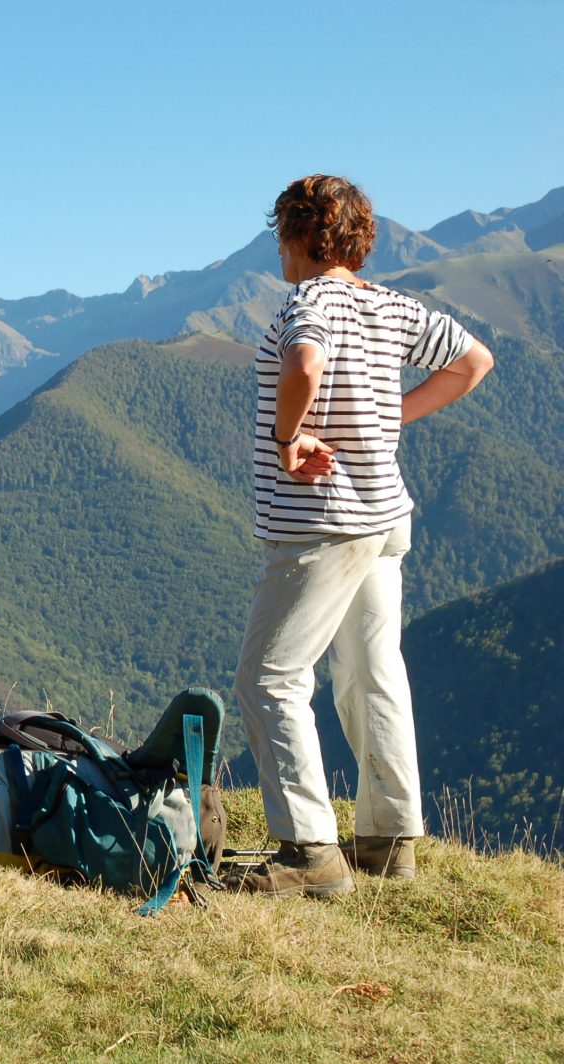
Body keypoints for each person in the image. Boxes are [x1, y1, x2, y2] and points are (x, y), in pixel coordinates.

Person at [233, 174, 493, 897]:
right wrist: (393, 419)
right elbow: (474, 363)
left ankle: (308, 854)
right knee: (371, 673)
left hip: (322, 527)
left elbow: (304, 362)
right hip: (384, 519)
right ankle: (389, 839)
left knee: (270, 681)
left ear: (296, 235)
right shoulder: (391, 307)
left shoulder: (309, 301)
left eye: (280, 233)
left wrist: (289, 438)